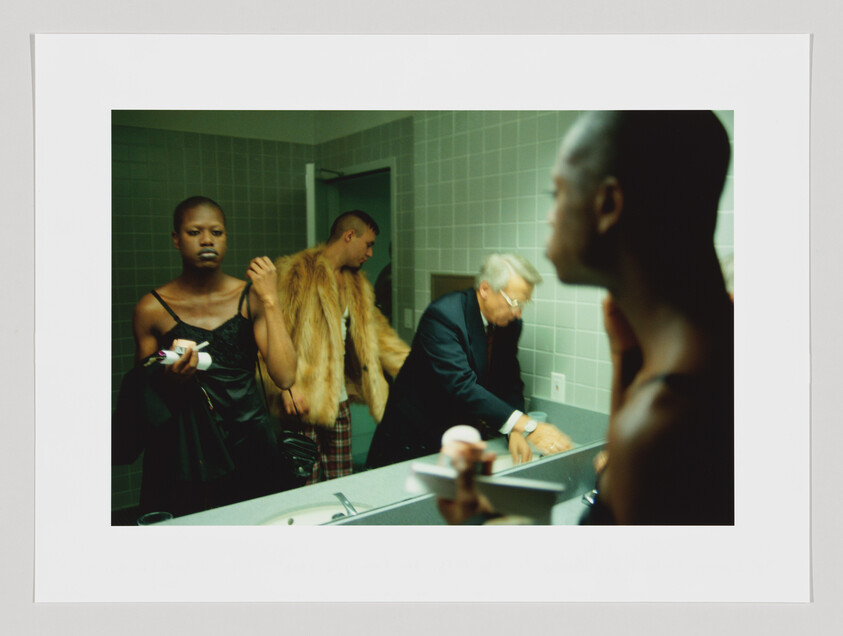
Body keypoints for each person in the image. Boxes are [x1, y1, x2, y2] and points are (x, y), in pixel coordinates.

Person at [440, 110, 734, 526]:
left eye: (557, 193)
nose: (549, 215)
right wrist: (624, 363)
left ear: (608, 204)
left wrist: (474, 517)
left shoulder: (667, 427)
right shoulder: (713, 356)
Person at [122, 196, 298, 518]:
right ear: (176, 238)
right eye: (194, 232)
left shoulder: (250, 298)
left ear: (226, 238)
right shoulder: (151, 308)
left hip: (251, 443)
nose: (207, 240)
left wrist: (271, 300)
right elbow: (143, 399)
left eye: (216, 232)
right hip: (185, 450)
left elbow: (285, 376)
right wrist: (170, 381)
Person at [366, 253, 573, 469]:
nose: (518, 313)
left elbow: (508, 380)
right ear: (485, 289)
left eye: (524, 303)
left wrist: (515, 430)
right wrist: (527, 426)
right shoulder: (443, 317)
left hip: (457, 432)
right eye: (514, 302)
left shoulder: (509, 324)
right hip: (414, 432)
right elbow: (462, 385)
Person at [261, 210, 410, 483]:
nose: (371, 253)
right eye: (369, 244)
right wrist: (284, 388)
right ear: (349, 236)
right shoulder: (294, 273)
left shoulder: (356, 283)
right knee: (305, 484)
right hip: (302, 402)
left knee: (342, 480)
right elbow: (268, 336)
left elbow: (380, 335)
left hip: (338, 400)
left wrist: (415, 370)